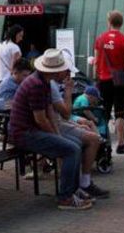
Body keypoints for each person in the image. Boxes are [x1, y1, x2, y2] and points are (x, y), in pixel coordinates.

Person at [8, 49, 91, 210]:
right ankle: (66, 197)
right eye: (64, 69)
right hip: (24, 134)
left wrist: (58, 135)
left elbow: (49, 112)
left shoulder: (43, 82)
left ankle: (73, 190)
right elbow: (41, 119)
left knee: (74, 145)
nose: (66, 72)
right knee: (71, 149)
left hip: (28, 131)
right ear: (55, 71)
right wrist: (56, 135)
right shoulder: (37, 85)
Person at [93, 10, 124, 154]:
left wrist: (96, 77)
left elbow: (96, 61)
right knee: (120, 112)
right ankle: (121, 144)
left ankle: (104, 142)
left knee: (104, 112)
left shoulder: (100, 39)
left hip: (103, 80)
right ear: (121, 23)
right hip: (120, 81)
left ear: (109, 22)